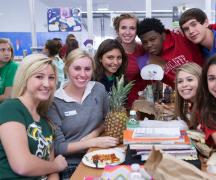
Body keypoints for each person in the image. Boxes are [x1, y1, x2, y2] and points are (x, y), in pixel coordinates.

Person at [48, 49, 118, 179]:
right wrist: (91, 142)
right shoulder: (54, 101)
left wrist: (95, 133)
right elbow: (58, 147)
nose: (83, 74)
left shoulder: (98, 89)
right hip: (72, 165)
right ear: (67, 68)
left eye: (87, 69)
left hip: (100, 154)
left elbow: (107, 119)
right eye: (77, 68)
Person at [0, 54, 67, 179]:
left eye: (51, 78)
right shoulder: (10, 108)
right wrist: (57, 166)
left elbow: (51, 169)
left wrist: (54, 168)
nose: (47, 84)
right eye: (39, 77)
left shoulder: (46, 121)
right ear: (25, 78)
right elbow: (22, 165)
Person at [136, 17, 216, 87]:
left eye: (153, 39)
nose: (149, 45)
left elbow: (206, 29)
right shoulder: (149, 60)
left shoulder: (181, 36)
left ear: (162, 34)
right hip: (186, 100)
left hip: (210, 87)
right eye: (145, 42)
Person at [113, 13, 147, 108]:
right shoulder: (113, 53)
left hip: (143, 104)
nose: (127, 32)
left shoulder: (144, 50)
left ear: (137, 31)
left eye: (132, 28)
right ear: (117, 30)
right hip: (120, 106)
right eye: (123, 28)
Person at [174, 62, 202, 128]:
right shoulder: (194, 105)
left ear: (201, 81)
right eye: (180, 81)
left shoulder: (207, 108)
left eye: (189, 80)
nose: (184, 85)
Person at [0, 38, 18, 102]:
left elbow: (7, 97)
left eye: (9, 50)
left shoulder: (13, 67)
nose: (7, 53)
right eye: (2, 50)